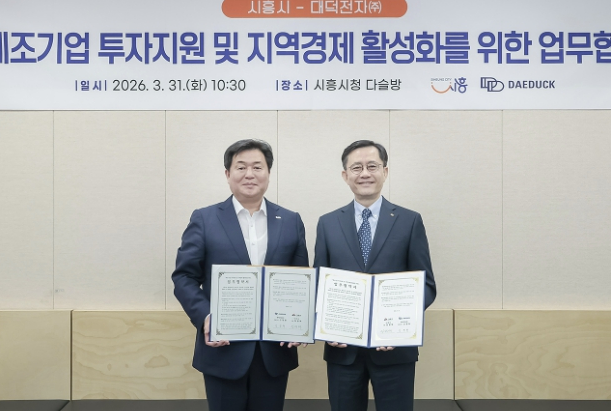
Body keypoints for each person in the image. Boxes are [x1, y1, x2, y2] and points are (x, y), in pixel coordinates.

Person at [172, 138, 309, 411]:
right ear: (228, 174)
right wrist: (206, 317)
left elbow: (300, 280)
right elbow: (184, 277)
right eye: (241, 167)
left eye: (257, 167)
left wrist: (299, 323)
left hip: (274, 350)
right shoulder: (205, 219)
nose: (249, 174)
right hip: (223, 349)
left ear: (268, 173)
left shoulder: (291, 220)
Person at [314, 140, 437, 411]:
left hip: (395, 350)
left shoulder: (409, 221)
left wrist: (399, 326)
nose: (365, 173)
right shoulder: (328, 223)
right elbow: (319, 284)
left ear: (385, 171)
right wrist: (325, 323)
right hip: (342, 350)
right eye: (356, 167)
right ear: (345, 175)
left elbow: (427, 285)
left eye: (372, 166)